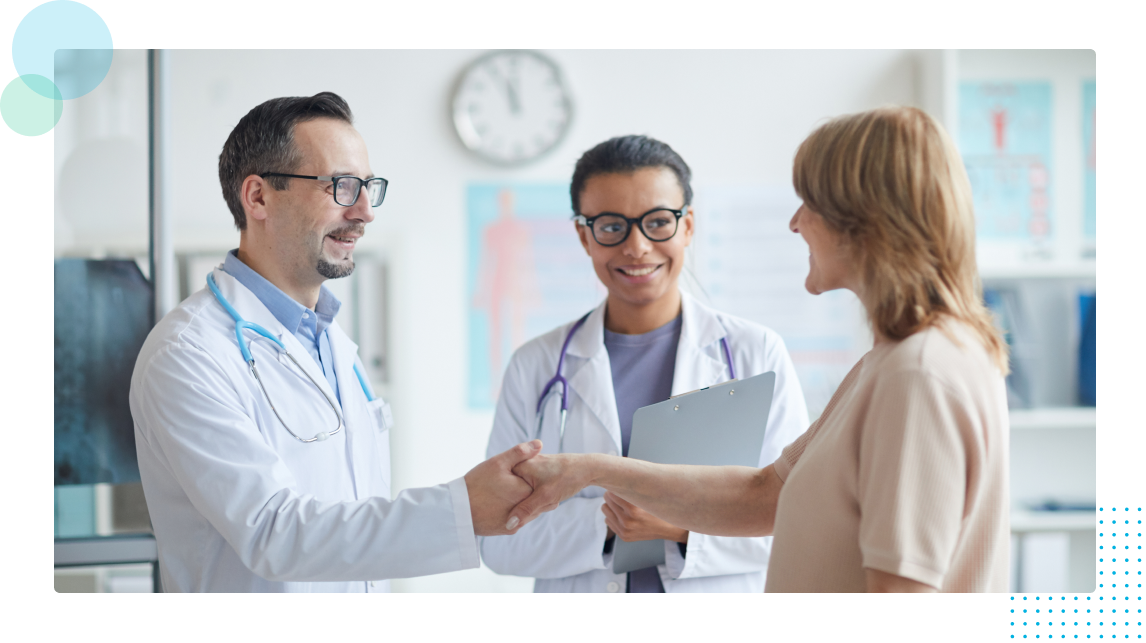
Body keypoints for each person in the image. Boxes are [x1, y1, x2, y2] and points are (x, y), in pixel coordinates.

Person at [507, 107, 1011, 593]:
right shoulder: (889, 364)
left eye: (809, 202)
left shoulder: (918, 373)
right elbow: (766, 495)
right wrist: (591, 471)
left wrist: (653, 519)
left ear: (862, 219)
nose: (795, 223)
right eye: (613, 227)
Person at [129, 92, 540, 592]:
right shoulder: (188, 355)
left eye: (368, 187)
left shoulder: (329, 341)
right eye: (342, 187)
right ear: (257, 196)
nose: (365, 212)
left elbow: (352, 521)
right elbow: (273, 533)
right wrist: (463, 508)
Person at [480, 136, 809, 593]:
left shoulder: (755, 353)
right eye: (612, 226)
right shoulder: (535, 366)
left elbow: (797, 523)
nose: (636, 247)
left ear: (688, 226)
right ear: (584, 236)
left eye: (658, 222)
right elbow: (499, 539)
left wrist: (678, 523)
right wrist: (608, 523)